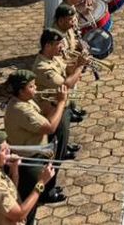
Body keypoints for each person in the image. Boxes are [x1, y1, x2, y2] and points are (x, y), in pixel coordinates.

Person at [3, 69, 68, 221]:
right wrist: (61, 102)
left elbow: (43, 117)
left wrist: (53, 103)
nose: (36, 88)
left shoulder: (25, 100)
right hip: (29, 162)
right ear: (21, 91)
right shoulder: (21, 109)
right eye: (31, 86)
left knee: (36, 195)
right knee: (29, 206)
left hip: (36, 153)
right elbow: (50, 127)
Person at [32, 29, 84, 199]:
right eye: (58, 44)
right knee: (54, 154)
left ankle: (61, 154)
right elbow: (66, 85)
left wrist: (78, 63)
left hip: (61, 107)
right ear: (48, 46)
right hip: (53, 110)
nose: (62, 47)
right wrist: (80, 68)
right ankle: (48, 190)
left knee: (61, 146)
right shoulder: (42, 67)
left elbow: (67, 70)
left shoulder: (53, 58)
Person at [0, 129, 55, 225]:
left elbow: (11, 190)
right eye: (3, 150)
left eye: (8, 147)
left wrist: (14, 169)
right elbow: (19, 215)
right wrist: (41, 183)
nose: (9, 151)